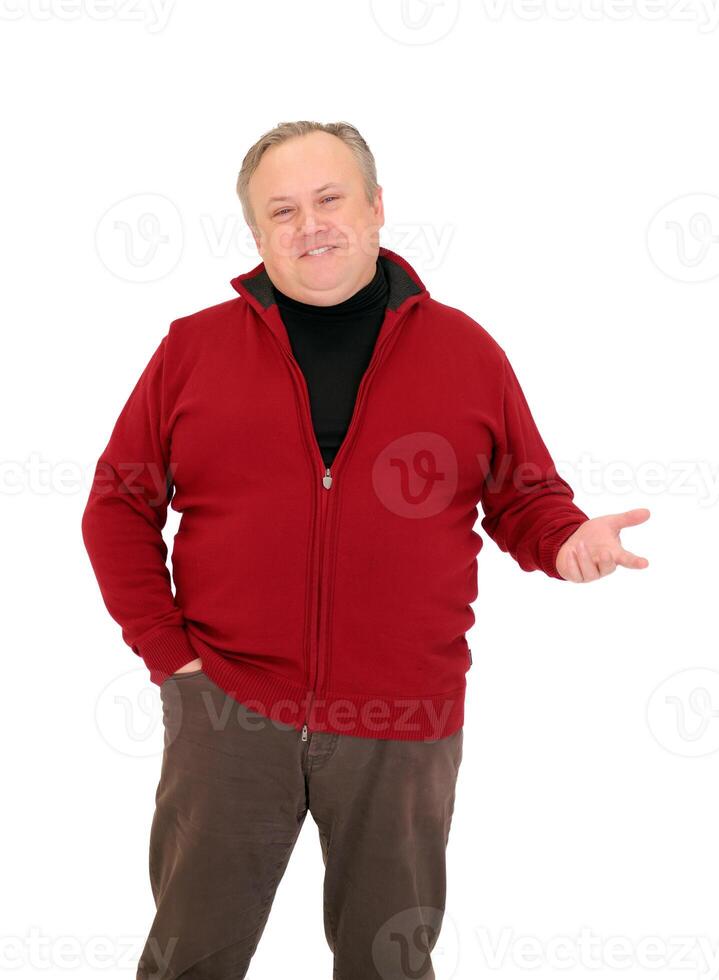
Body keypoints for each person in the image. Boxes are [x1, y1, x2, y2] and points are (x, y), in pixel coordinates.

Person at [81, 120, 650, 980]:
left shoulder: (465, 349)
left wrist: (566, 541)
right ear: (259, 234)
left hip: (405, 718)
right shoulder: (192, 349)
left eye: (329, 198)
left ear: (376, 208)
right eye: (282, 210)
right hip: (229, 706)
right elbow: (117, 506)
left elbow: (525, 495)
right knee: (189, 959)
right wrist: (170, 655)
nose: (309, 224)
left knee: (389, 963)